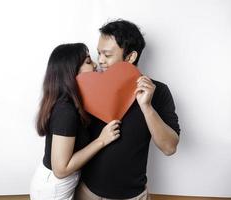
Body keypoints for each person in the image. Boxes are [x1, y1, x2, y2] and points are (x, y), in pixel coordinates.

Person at [75, 19, 181, 200]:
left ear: (130, 57)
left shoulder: (159, 91)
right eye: (99, 53)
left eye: (107, 55)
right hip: (86, 192)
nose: (100, 61)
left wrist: (146, 107)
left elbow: (169, 147)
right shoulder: (89, 87)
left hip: (133, 196)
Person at [30, 43, 121, 200]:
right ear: (71, 71)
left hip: (62, 186)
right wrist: (102, 140)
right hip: (54, 190)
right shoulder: (66, 111)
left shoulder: (73, 103)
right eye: (88, 62)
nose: (95, 64)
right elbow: (61, 169)